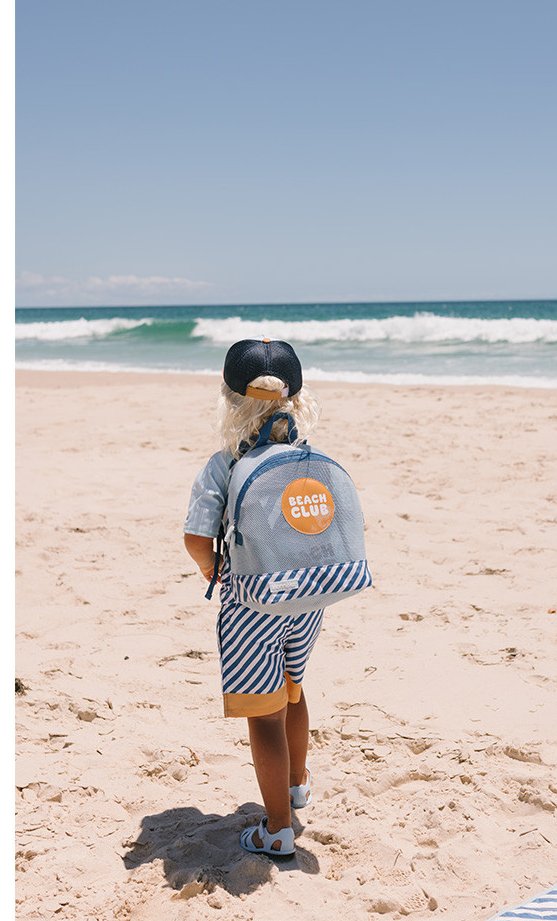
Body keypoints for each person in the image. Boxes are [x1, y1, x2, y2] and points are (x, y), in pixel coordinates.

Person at [182, 337, 324, 857]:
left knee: (262, 715)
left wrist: (212, 569)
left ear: (228, 396)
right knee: (294, 689)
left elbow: (197, 538)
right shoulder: (304, 459)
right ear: (298, 397)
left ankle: (277, 829)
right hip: (307, 598)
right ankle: (298, 784)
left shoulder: (224, 465)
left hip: (251, 604)